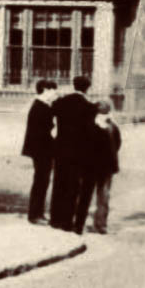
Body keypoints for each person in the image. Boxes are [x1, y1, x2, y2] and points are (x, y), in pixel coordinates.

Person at [49, 75, 97, 234]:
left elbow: (52, 111)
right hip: (78, 153)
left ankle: (55, 219)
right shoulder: (89, 107)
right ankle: (66, 221)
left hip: (60, 148)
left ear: (74, 85)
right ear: (87, 88)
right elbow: (90, 133)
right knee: (72, 186)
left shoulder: (61, 102)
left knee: (59, 183)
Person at [22, 79, 58, 224]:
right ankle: (35, 215)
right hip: (41, 151)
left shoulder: (40, 106)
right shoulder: (40, 107)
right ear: (45, 90)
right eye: (53, 90)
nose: (55, 94)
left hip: (41, 150)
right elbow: (43, 133)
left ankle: (38, 213)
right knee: (40, 181)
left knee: (42, 181)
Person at [87, 100, 122, 234]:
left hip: (94, 166)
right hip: (106, 166)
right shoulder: (112, 126)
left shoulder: (91, 125)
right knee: (104, 195)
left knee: (88, 194)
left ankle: (85, 221)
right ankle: (100, 224)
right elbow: (117, 145)